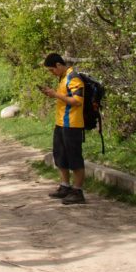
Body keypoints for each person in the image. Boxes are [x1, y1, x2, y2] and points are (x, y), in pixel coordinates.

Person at [38, 53, 86, 205]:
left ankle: (78, 191)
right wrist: (53, 94)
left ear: (59, 65)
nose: (52, 73)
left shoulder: (74, 78)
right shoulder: (62, 77)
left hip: (72, 124)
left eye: (52, 70)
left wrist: (56, 95)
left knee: (75, 158)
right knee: (60, 156)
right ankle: (65, 186)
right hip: (61, 123)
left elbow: (77, 101)